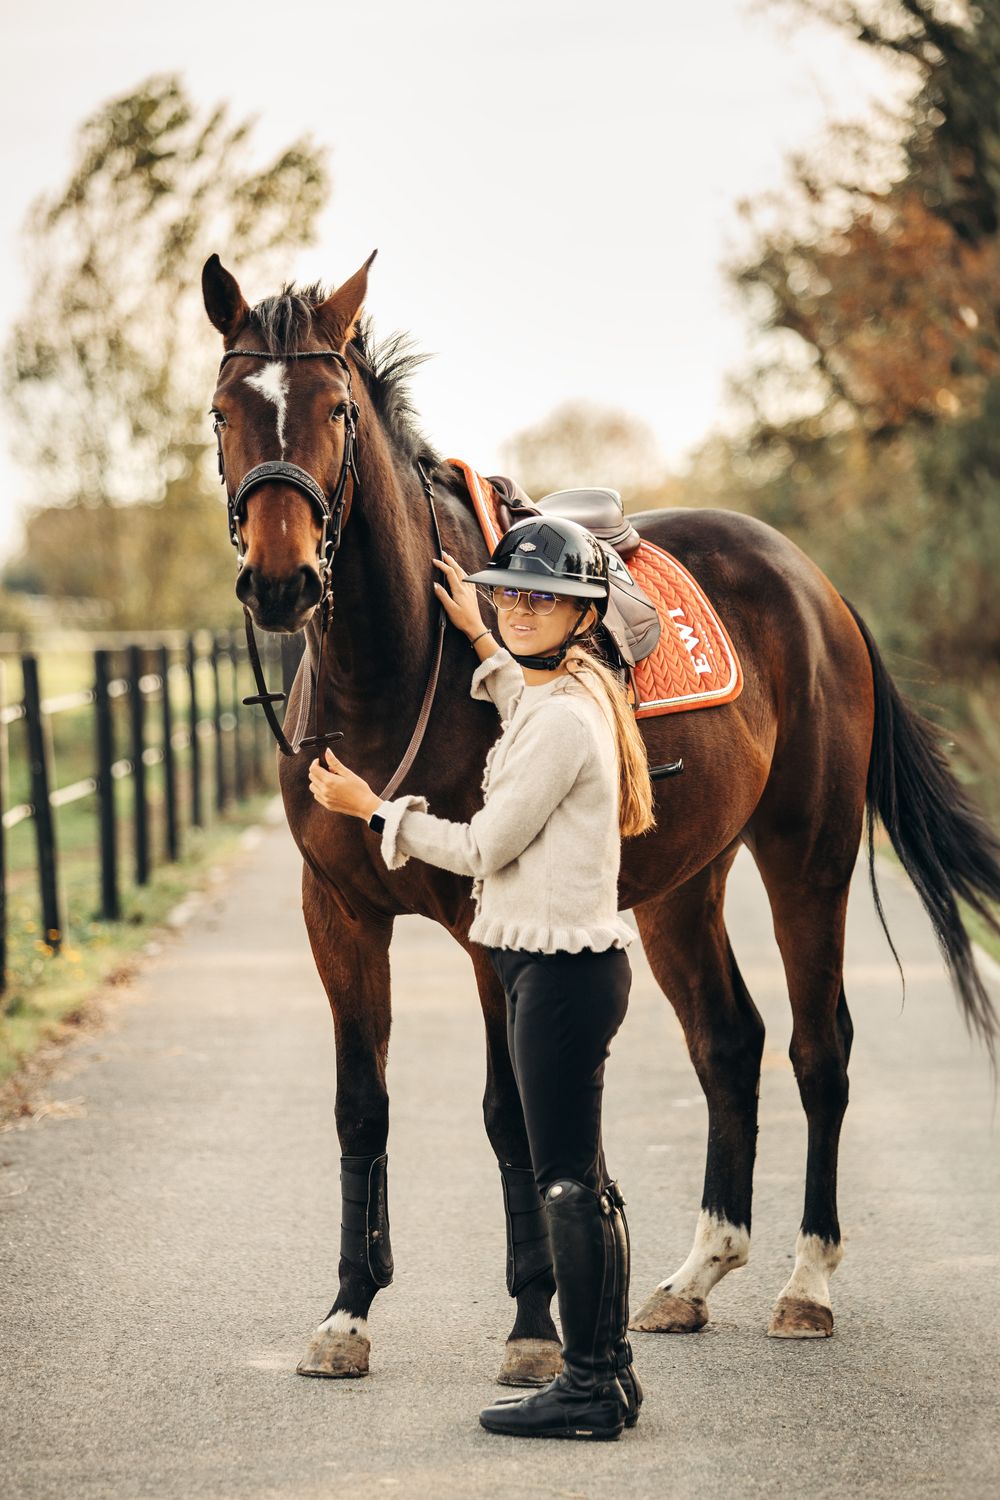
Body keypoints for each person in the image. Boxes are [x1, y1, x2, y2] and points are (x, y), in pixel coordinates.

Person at [308, 515, 656, 1440]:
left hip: (555, 975)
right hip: (564, 969)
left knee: (568, 1185)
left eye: (546, 599)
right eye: (513, 595)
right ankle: (607, 1373)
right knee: (584, 1179)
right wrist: (477, 633)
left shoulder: (561, 722)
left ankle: (586, 1385)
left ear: (586, 615)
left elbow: (479, 847)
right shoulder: (571, 696)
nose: (523, 610)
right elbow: (520, 703)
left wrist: (372, 809)